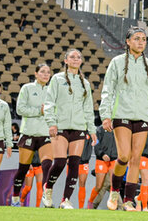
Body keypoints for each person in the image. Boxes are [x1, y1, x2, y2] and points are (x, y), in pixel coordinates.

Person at [99, 27, 148, 211]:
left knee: (136, 159)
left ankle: (128, 200)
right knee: (124, 156)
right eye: (137, 39)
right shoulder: (117, 62)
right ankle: (114, 191)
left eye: (143, 39)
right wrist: (105, 115)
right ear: (128, 41)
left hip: (143, 116)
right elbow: (108, 91)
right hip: (122, 114)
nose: (141, 42)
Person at [42, 50, 97, 209]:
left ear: (81, 61)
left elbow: (88, 109)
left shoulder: (85, 83)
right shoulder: (57, 79)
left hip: (79, 128)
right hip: (60, 126)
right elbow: (49, 101)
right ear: (65, 60)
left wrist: (91, 130)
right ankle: (48, 188)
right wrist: (51, 122)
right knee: (59, 162)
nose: (75, 59)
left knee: (74, 164)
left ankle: (65, 200)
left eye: (78, 57)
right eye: (72, 57)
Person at [13, 64, 55, 207]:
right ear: (36, 74)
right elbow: (20, 109)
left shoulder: (52, 90)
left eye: (48, 72)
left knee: (47, 165)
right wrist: (39, 111)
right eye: (42, 72)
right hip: (29, 133)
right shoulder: (27, 88)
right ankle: (15, 198)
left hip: (46, 134)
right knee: (23, 169)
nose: (45, 74)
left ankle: (46, 197)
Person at [87, 123, 118, 210]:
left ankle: (112, 204)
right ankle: (90, 201)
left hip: (114, 159)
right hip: (101, 160)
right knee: (99, 186)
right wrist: (102, 154)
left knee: (114, 184)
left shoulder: (118, 129)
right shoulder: (100, 129)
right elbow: (96, 143)